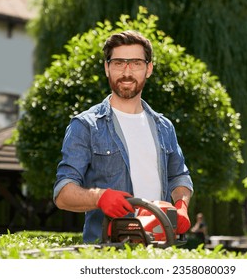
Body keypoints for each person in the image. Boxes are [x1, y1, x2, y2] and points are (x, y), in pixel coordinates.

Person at [53, 30, 194, 243]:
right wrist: (100, 197)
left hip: (161, 248)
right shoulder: (85, 125)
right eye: (119, 63)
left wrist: (181, 206)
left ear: (148, 69)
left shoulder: (164, 127)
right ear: (107, 68)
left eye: (136, 63)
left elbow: (178, 176)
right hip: (107, 251)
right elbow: (63, 193)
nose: (127, 72)